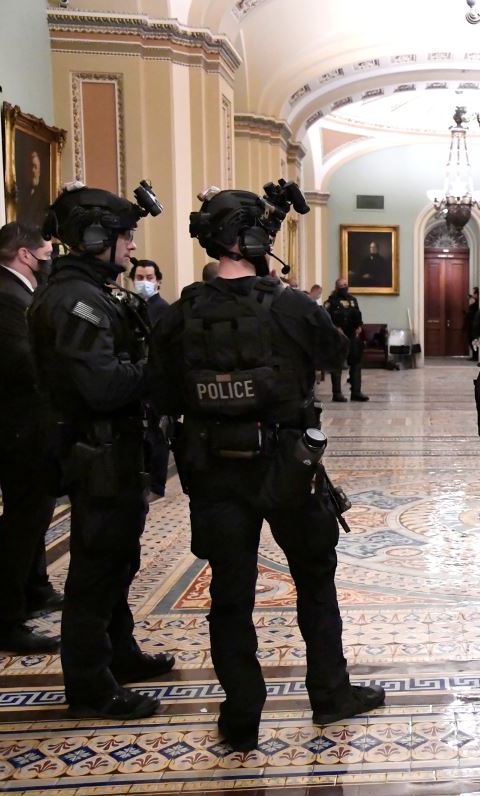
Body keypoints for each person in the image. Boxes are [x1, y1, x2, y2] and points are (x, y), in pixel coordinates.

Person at [152, 183, 383, 752]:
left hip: (211, 468)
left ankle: (241, 716)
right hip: (287, 466)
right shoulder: (290, 305)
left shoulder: (181, 313)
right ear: (255, 239)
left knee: (230, 595)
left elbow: (157, 390)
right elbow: (339, 355)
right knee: (314, 579)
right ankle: (331, 695)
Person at [28, 181, 173, 719]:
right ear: (94, 238)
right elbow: (102, 385)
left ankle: (121, 655)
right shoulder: (75, 302)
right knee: (96, 570)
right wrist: (157, 373)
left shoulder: (94, 293)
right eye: (125, 236)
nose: (132, 247)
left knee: (119, 560)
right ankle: (90, 685)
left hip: (115, 449)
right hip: (97, 451)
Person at [0, 222, 62, 653]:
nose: (50, 257)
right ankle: (7, 621)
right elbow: (21, 363)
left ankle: (35, 588)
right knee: (22, 520)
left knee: (35, 514)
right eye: (46, 251)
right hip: (17, 424)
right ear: (25, 253)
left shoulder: (5, 288)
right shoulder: (0, 294)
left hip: (23, 421)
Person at [129, 258, 171, 501]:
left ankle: (156, 484)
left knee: (157, 435)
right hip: (135, 380)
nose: (144, 282)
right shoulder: (130, 307)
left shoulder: (163, 310)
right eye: (139, 278)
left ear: (158, 282)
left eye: (148, 278)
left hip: (155, 381)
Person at [324, 278, 366, 402]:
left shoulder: (353, 300)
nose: (344, 287)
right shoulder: (330, 302)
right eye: (342, 285)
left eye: (346, 285)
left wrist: (359, 326)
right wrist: (336, 328)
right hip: (338, 336)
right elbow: (326, 319)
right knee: (337, 364)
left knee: (356, 363)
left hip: (353, 335)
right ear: (337, 287)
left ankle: (356, 392)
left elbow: (358, 314)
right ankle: (337, 393)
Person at [465, 287, 480, 361]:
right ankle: (475, 356)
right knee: (471, 340)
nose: (473, 295)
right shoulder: (475, 303)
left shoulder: (477, 304)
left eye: (474, 293)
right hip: (471, 324)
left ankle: (476, 356)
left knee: (473, 340)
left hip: (473, 325)